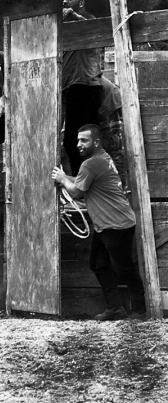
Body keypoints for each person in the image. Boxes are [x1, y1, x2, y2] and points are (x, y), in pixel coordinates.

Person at [52, 124, 145, 321]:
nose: (78, 145)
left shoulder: (91, 163)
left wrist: (61, 179)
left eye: (83, 140)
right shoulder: (101, 158)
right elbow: (80, 182)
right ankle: (115, 308)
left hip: (116, 224)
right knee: (98, 264)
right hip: (108, 224)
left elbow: (76, 192)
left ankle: (139, 311)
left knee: (124, 269)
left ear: (96, 142)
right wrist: (64, 178)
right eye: (77, 140)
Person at [61, 0, 103, 176]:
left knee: (73, 141)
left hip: (84, 85)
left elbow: (96, 30)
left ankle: (83, 184)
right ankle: (92, 183)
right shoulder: (65, 29)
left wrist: (75, 16)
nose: (65, 1)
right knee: (88, 140)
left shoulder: (87, 19)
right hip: (73, 88)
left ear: (81, 3)